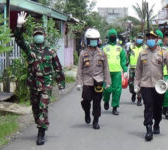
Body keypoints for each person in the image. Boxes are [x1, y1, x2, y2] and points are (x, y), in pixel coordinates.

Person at [14, 11, 65, 145]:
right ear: (33, 37)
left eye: (40, 35)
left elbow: (58, 68)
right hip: (33, 84)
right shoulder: (30, 49)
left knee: (43, 107)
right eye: (36, 35)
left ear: (45, 36)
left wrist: (61, 84)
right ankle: (40, 123)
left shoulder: (51, 51)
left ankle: (41, 132)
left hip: (46, 86)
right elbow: (19, 40)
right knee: (35, 109)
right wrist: (19, 26)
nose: (38, 37)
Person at [134, 31, 168, 141]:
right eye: (148, 37)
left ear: (157, 39)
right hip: (146, 85)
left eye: (153, 37)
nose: (150, 39)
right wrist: (136, 84)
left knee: (158, 108)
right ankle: (148, 128)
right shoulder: (142, 53)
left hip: (159, 86)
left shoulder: (163, 53)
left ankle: (157, 123)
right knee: (148, 107)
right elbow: (138, 70)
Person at [76, 28, 111, 129]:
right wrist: (79, 82)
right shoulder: (83, 53)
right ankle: (87, 112)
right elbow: (79, 68)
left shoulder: (102, 53)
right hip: (87, 81)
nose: (93, 41)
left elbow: (106, 68)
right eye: (91, 39)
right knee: (86, 100)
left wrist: (108, 82)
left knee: (97, 102)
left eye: (95, 39)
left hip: (98, 81)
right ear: (87, 40)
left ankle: (96, 120)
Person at [102, 29, 128, 115]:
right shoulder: (104, 48)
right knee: (106, 89)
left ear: (116, 36)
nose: (112, 36)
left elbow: (123, 60)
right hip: (106, 72)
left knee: (117, 90)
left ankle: (115, 107)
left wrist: (125, 70)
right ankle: (106, 100)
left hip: (117, 72)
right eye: (111, 35)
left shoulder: (120, 48)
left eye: (114, 35)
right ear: (108, 36)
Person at [126, 34, 145, 106]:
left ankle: (139, 98)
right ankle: (133, 92)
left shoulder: (145, 47)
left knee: (139, 83)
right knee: (131, 83)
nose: (139, 39)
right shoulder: (131, 47)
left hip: (141, 68)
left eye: (141, 38)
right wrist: (126, 64)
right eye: (138, 38)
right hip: (132, 68)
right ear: (136, 39)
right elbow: (127, 56)